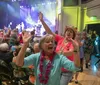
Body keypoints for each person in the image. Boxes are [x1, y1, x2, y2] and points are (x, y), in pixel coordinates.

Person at [16, 32, 80, 85]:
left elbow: (75, 67)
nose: (51, 43)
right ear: (41, 46)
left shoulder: (59, 58)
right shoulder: (36, 57)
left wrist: (76, 50)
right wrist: (25, 44)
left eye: (52, 41)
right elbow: (19, 63)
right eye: (47, 42)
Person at [39, 12, 80, 85]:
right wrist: (42, 21)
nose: (69, 32)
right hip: (56, 69)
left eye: (71, 32)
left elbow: (72, 52)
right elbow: (50, 32)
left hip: (66, 71)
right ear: (65, 33)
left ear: (73, 35)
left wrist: (58, 53)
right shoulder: (60, 39)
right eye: (67, 31)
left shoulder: (73, 43)